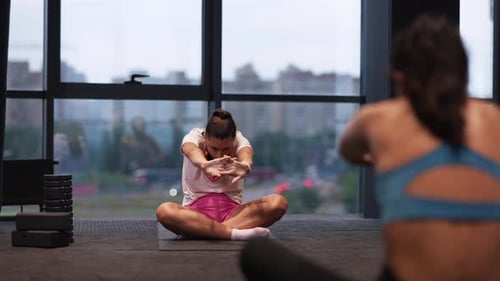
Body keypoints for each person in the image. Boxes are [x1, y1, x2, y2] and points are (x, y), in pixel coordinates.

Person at [239, 15, 500, 281]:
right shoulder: (495, 119)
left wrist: (385, 157)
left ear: (399, 77)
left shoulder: (380, 117)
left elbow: (349, 151)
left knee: (257, 253)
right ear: (464, 73)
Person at [156, 108, 288, 240]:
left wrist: (246, 165)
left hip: (234, 215)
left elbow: (246, 151)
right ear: (205, 137)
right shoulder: (194, 136)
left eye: (226, 149)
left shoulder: (239, 139)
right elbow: (190, 150)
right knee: (164, 211)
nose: (219, 154)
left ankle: (206, 231)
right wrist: (204, 165)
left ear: (233, 139)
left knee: (278, 203)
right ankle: (233, 234)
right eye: (214, 148)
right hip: (195, 213)